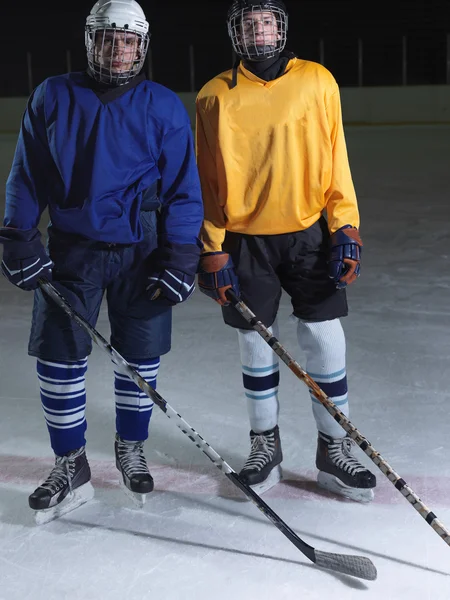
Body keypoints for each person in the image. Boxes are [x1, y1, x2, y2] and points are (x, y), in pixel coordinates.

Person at [0, 0, 203, 520]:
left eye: (129, 40)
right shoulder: (53, 94)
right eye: (108, 38)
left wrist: (181, 254)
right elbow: (28, 174)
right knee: (59, 356)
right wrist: (19, 236)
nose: (119, 49)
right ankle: (71, 462)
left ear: (143, 46)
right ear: (90, 41)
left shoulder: (162, 105)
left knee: (138, 359)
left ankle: (129, 446)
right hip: (74, 249)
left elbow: (183, 189)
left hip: (144, 250)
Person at [195, 0, 376, 502]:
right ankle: (265, 447)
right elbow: (207, 180)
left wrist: (345, 224)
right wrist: (211, 248)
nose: (259, 31)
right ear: (236, 32)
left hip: (309, 235)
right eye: (248, 24)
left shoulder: (317, 81)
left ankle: (333, 449)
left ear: (281, 27)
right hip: (244, 240)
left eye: (267, 21)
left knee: (324, 336)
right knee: (256, 341)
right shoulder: (214, 95)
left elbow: (336, 154)